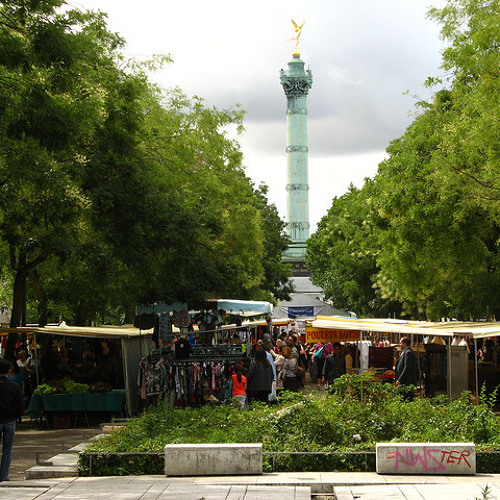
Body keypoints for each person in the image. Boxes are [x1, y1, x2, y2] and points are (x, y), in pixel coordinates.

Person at [0, 358, 25, 482]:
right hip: (10, 420)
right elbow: (20, 404)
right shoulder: (14, 386)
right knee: (7, 450)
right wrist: (17, 416)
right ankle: (3, 476)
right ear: (9, 370)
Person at [395, 336, 418, 401]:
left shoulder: (408, 353)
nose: (399, 345)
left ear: (404, 343)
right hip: (404, 381)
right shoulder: (405, 352)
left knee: (406, 398)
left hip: (407, 381)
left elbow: (407, 367)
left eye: (400, 343)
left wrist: (400, 380)